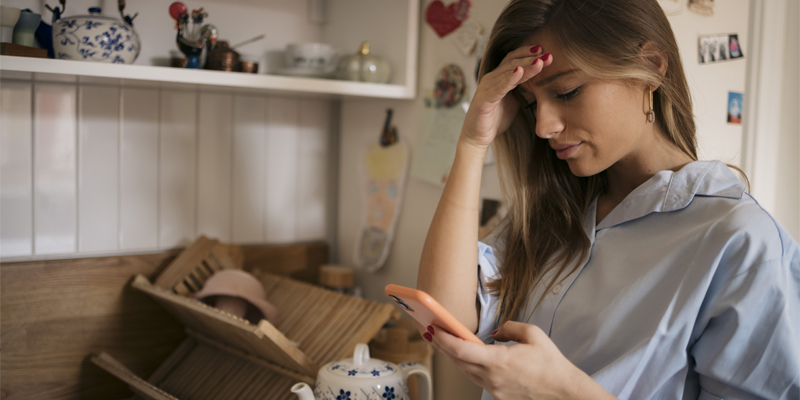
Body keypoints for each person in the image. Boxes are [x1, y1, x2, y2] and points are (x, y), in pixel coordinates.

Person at [415, 1, 800, 399]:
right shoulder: (553, 214)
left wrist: (564, 392)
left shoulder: (742, 243)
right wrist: (473, 142)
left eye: (567, 91)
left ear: (650, 66)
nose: (544, 126)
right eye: (531, 104)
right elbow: (446, 318)